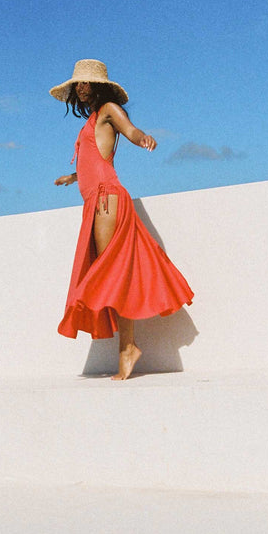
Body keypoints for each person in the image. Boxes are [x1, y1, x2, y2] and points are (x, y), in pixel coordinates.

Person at [52, 58, 194, 380]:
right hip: (95, 200)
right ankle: (127, 347)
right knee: (113, 274)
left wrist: (144, 138)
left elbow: (129, 130)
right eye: (78, 83)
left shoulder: (109, 110)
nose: (82, 87)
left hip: (106, 198)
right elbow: (93, 158)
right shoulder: (91, 119)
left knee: (112, 273)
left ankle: (128, 348)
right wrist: (74, 176)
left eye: (87, 82)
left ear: (99, 85)